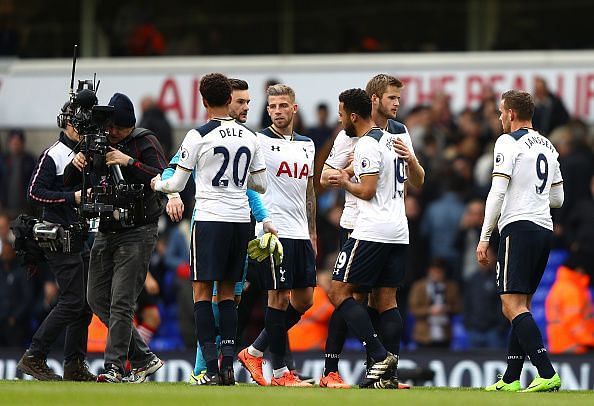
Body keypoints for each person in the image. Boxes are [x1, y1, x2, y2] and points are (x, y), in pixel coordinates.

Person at [152, 72, 267, 386]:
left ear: (203, 101)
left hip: (210, 221)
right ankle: (228, 366)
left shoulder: (198, 135)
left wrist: (158, 184)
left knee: (202, 295)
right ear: (229, 100)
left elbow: (176, 181)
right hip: (240, 222)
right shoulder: (250, 137)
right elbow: (261, 184)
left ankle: (209, 371)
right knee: (228, 297)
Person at [319, 74, 424, 388]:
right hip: (366, 225)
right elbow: (325, 177)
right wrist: (343, 173)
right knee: (368, 298)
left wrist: (348, 180)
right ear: (374, 100)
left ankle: (380, 363)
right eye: (392, 98)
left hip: (372, 226)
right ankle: (341, 371)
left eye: (398, 98)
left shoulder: (394, 135)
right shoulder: (350, 136)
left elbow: (376, 186)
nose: (397, 104)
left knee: (349, 294)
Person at [66, 92, 167, 383]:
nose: (113, 134)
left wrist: (129, 161)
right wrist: (78, 162)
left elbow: (165, 177)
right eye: (110, 128)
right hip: (106, 228)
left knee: (121, 301)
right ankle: (144, 357)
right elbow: (68, 183)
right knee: (96, 297)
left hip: (138, 230)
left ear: (130, 126)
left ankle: (113, 367)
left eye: (119, 130)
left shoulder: (145, 141)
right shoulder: (97, 141)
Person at [476, 89, 564, 392]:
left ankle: (546, 371)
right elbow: (558, 198)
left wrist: (485, 237)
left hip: (519, 227)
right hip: (543, 229)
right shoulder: (549, 146)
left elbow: (497, 192)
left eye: (501, 111)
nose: (500, 117)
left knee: (511, 304)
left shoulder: (507, 141)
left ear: (511, 113)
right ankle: (512, 377)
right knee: (521, 302)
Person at [237, 84, 317, 387]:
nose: (278, 111)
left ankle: (255, 351)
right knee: (279, 297)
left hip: (300, 231)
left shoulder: (307, 144)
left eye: (283, 106)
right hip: (273, 231)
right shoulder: (258, 141)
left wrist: (313, 232)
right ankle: (283, 373)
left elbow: (309, 191)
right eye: (272, 107)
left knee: (305, 299)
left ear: (294, 109)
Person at [15, 105, 95, 381]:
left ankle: (74, 364)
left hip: (78, 235)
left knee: (84, 303)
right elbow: (34, 193)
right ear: (67, 124)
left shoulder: (84, 155)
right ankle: (34, 355)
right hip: (57, 234)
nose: (82, 129)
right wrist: (70, 197)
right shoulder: (54, 155)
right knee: (73, 301)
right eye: (78, 123)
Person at [545, 248, 594, 354]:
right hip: (574, 348)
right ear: (579, 269)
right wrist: (590, 341)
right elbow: (573, 321)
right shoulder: (572, 290)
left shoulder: (560, 286)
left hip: (561, 346)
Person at [408, 259, 461, 348]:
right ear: (429, 271)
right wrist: (430, 310)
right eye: (434, 272)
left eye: (439, 272)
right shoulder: (419, 286)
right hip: (423, 335)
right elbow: (413, 309)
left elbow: (459, 307)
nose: (437, 275)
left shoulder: (451, 286)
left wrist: (447, 308)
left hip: (445, 334)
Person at [0, 129, 37, 216]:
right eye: (13, 142)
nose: (15, 145)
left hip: (24, 208)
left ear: (22, 144)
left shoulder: (30, 161)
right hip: (5, 207)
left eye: (18, 142)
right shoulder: (3, 160)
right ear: (8, 143)